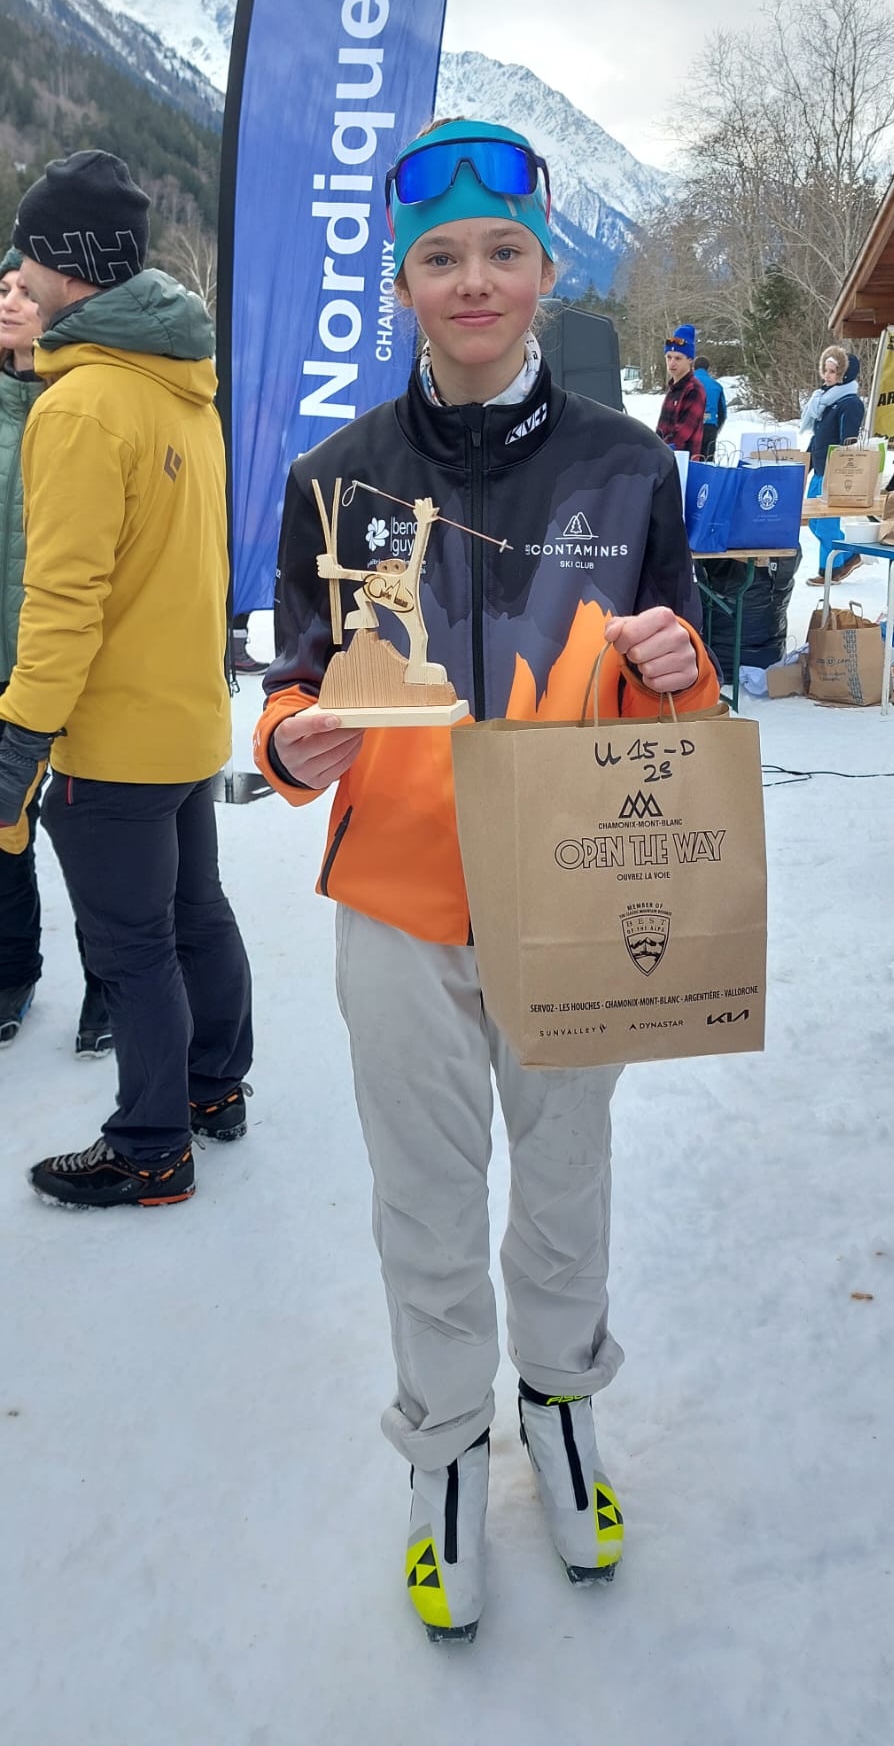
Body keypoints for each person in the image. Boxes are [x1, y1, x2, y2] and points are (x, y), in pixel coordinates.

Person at [252, 118, 720, 1642]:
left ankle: (560, 1405)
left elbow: (675, 689)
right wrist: (287, 743)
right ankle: (444, 1448)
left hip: (572, 888)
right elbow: (292, 678)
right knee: (424, 1196)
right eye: (440, 257)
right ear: (399, 283)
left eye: (501, 253)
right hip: (397, 901)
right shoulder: (334, 478)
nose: (472, 281)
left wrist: (675, 668)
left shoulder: (627, 467)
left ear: (544, 271)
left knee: (565, 1178)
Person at [0, 150, 253, 1207]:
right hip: (185, 718)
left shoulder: (80, 405)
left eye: (26, 253)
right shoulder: (178, 387)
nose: (16, 272)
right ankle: (213, 1089)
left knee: (132, 946)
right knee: (197, 914)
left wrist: (21, 736)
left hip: (110, 738)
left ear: (65, 265)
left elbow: (63, 599)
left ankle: (150, 1146)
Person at [0, 247, 112, 1052]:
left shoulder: (81, 404)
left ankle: (109, 983)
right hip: (2, 665)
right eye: (0, 289)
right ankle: (13, 969)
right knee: (3, 830)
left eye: (24, 290)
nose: (10, 301)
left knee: (88, 834)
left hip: (73, 666)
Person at [801, 346, 865, 585]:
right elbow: (818, 437)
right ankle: (850, 554)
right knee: (814, 522)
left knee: (827, 525)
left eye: (833, 372)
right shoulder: (825, 400)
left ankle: (830, 570)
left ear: (844, 374)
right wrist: (805, 465)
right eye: (825, 370)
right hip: (819, 469)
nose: (827, 376)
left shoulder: (850, 403)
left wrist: (842, 473)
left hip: (834, 473)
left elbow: (848, 443)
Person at [656, 325, 706, 460]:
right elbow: (661, 430)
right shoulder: (673, 389)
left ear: (689, 359)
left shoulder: (694, 389)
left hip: (683, 463)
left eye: (678, 358)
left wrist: (657, 450)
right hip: (665, 459)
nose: (672, 363)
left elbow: (682, 434)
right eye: (669, 357)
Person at [693, 355, 728, 462]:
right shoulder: (716, 386)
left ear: (694, 367)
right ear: (708, 368)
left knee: (690, 461)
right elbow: (722, 412)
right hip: (710, 426)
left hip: (691, 427)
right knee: (708, 461)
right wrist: (716, 427)